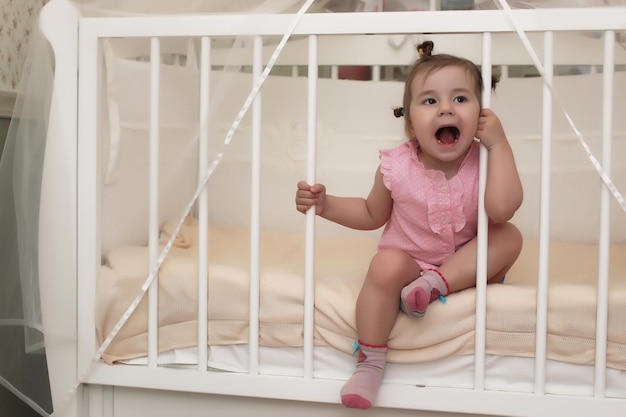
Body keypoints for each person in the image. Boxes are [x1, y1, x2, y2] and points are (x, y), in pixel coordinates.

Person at [294, 52, 523, 409]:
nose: (446, 109)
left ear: (481, 115)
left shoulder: (487, 158)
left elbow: (502, 208)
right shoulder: (397, 166)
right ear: (411, 126)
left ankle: (437, 285)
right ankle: (369, 363)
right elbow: (371, 213)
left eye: (460, 98)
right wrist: (327, 205)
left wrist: (499, 144)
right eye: (430, 100)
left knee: (509, 234)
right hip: (411, 268)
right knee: (385, 265)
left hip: (469, 267)